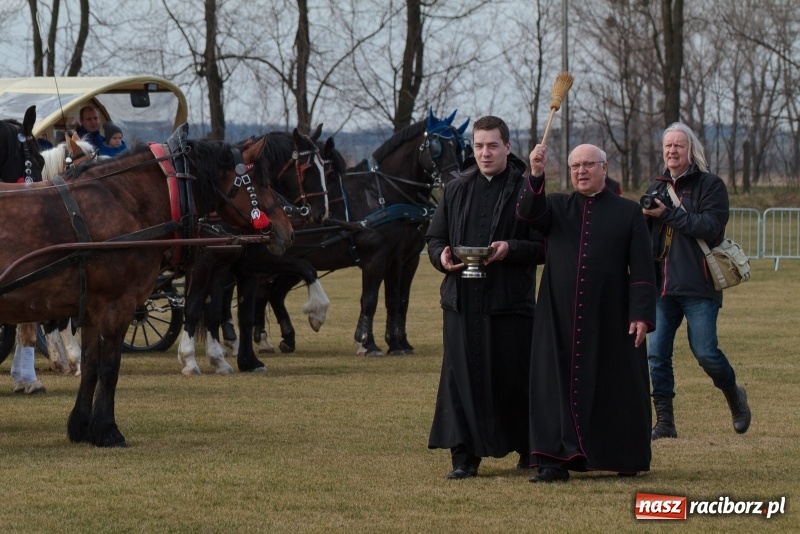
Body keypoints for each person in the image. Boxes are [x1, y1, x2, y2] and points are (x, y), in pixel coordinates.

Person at [516, 143, 656, 483]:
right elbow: (527, 214)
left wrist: (641, 315)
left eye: (588, 165)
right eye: (575, 166)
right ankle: (553, 461)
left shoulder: (627, 212)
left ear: (604, 169)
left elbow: (641, 268)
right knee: (554, 385)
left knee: (616, 384)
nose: (581, 171)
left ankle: (622, 456)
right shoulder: (557, 206)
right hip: (558, 317)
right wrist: (535, 174)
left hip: (611, 314)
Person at [426, 115, 546, 479]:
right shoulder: (456, 188)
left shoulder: (528, 189)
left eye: (492, 145)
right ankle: (464, 458)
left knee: (514, 379)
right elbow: (435, 239)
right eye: (478, 146)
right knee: (459, 380)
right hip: (461, 304)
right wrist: (442, 256)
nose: (485, 153)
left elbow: (542, 248)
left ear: (508, 147)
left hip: (509, 304)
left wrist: (510, 248)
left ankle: (529, 450)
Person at [642, 122, 751, 439]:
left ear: (691, 150)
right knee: (656, 355)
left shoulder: (710, 185)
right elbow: (647, 239)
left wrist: (667, 215)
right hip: (662, 286)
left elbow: (710, 227)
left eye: (678, 145)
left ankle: (734, 395)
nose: (672, 150)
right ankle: (665, 423)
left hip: (699, 286)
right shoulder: (656, 187)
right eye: (667, 146)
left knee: (705, 352)